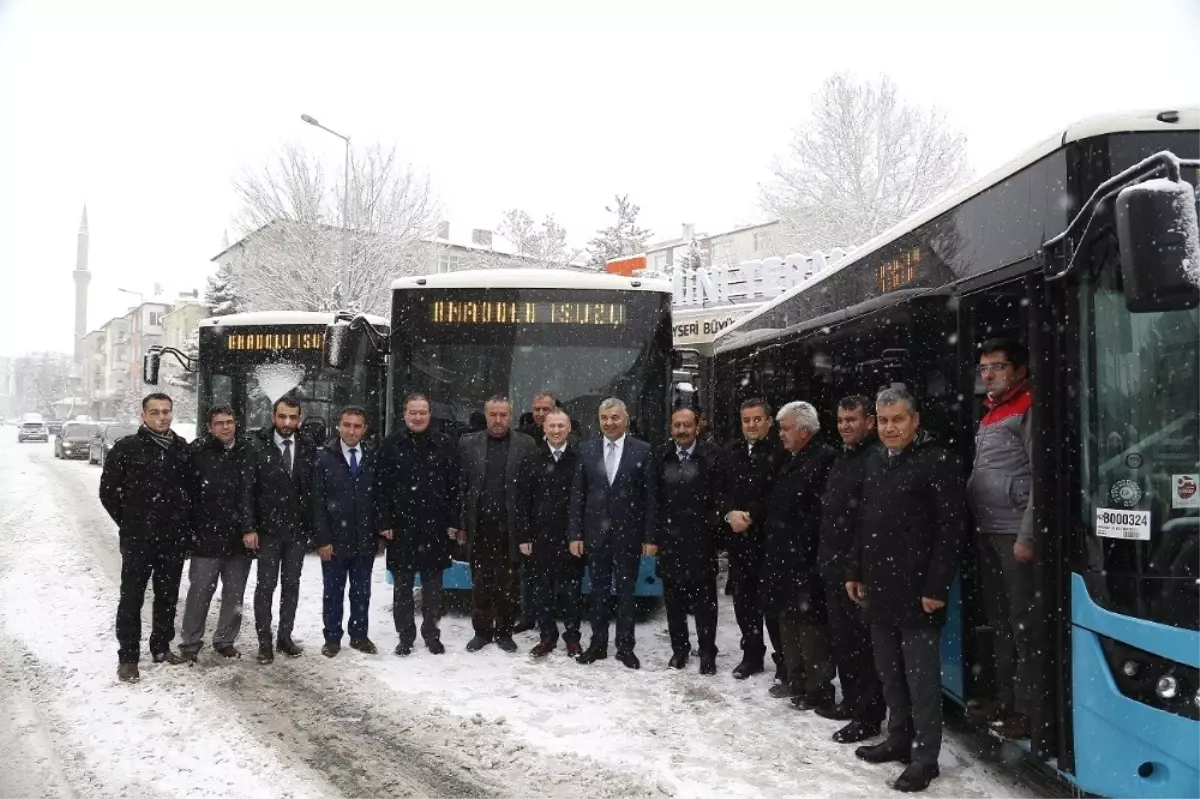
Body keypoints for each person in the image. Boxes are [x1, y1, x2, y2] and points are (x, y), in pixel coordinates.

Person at [846, 388, 965, 793]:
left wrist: (936, 586)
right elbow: (865, 520)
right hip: (879, 589)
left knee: (922, 682)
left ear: (915, 421)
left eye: (898, 419)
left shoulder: (937, 461)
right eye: (883, 421)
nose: (890, 427)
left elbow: (951, 532)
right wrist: (855, 569)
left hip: (918, 593)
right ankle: (898, 738)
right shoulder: (876, 461)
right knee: (890, 675)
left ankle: (924, 757)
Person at [968, 338, 1037, 739]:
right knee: (1000, 623)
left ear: (1019, 371)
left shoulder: (1028, 408)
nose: (989, 374)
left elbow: (1042, 476)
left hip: (1014, 534)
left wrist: (1026, 537)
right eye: (984, 368)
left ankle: (1027, 711)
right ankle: (1006, 700)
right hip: (988, 531)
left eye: (997, 366)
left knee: (1023, 624)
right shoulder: (993, 411)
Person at [100, 392, 193, 683]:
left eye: (166, 411)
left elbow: (190, 494)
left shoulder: (181, 449)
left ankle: (161, 647)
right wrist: (130, 523)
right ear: (143, 415)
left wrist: (182, 527)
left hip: (173, 540)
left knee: (167, 596)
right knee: (132, 598)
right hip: (139, 540)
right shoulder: (126, 448)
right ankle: (128, 657)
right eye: (155, 412)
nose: (162, 416)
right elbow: (108, 492)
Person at [816, 396, 886, 744]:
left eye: (852, 420)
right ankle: (851, 700)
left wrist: (856, 567)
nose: (845, 425)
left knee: (862, 646)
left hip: (856, 570)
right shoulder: (843, 456)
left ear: (869, 422)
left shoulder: (873, 458)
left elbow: (866, 520)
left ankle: (868, 715)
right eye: (841, 420)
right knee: (843, 642)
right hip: (833, 565)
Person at [569, 397, 658, 669]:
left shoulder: (642, 451)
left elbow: (650, 499)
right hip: (595, 536)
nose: (609, 423)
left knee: (627, 593)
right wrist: (575, 534)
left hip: (628, 536)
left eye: (615, 418)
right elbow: (577, 496)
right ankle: (598, 645)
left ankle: (625, 647)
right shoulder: (586, 450)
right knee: (597, 593)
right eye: (604, 418)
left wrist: (650, 537)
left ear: (625, 418)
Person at [760, 401, 837, 708]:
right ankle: (796, 680)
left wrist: (800, 550)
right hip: (784, 558)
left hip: (805, 560)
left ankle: (817, 689)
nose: (780, 434)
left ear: (805, 430)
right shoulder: (793, 457)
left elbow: (818, 512)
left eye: (785, 428)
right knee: (788, 621)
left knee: (810, 627)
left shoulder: (824, 458)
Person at [375, 393, 462, 656]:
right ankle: (405, 636)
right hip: (401, 527)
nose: (417, 417)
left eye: (422, 412)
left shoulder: (445, 444)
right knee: (402, 587)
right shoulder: (391, 445)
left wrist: (453, 522)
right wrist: (384, 521)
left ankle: (431, 634)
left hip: (435, 527)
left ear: (429, 414)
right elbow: (381, 487)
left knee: (433, 588)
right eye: (413, 412)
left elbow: (456, 487)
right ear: (404, 415)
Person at [458, 397, 539, 652]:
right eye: (493, 414)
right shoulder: (468, 443)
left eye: (503, 415)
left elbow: (530, 489)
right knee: (481, 583)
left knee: (509, 584)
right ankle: (481, 632)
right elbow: (461, 486)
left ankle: (504, 632)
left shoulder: (526, 445)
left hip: (512, 528)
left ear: (511, 416)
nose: (498, 420)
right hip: (479, 526)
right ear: (486, 415)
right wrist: (459, 523)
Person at [241, 395, 315, 665]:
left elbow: (311, 490)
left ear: (299, 419)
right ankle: (264, 642)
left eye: (292, 417)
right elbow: (247, 491)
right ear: (273, 417)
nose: (287, 422)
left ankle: (285, 636)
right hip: (267, 531)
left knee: (291, 587)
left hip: (296, 532)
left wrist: (312, 528)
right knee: (266, 587)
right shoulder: (256, 446)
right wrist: (249, 527)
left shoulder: (307, 446)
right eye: (282, 417)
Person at [179, 406, 253, 662]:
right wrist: (190, 532)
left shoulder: (247, 452)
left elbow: (252, 494)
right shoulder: (197, 453)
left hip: (239, 538)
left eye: (230, 422)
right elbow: (186, 497)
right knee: (200, 592)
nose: (225, 427)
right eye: (219, 423)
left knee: (234, 594)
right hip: (206, 538)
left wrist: (250, 527)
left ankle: (225, 640)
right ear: (210, 427)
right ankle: (190, 642)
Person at [656, 406, 726, 675]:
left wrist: (712, 530)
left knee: (705, 603)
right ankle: (680, 650)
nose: (681, 430)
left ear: (697, 427)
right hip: (670, 542)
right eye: (677, 425)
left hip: (701, 542)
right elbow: (656, 500)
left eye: (687, 425)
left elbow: (720, 498)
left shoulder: (713, 457)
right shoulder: (661, 457)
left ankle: (708, 652)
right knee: (673, 602)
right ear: (671, 428)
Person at [723, 398, 788, 681]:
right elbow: (719, 490)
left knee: (773, 605)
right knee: (744, 604)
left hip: (770, 542)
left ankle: (784, 661)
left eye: (757, 419)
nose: (751, 425)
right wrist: (728, 514)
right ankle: (752, 656)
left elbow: (781, 495)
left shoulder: (782, 452)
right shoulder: (731, 452)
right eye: (746, 420)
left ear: (769, 421)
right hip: (739, 544)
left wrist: (751, 516)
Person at [516, 408, 585, 658]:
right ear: (544, 429)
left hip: (571, 538)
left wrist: (580, 535)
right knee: (541, 591)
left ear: (568, 429)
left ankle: (572, 637)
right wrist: (524, 536)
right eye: (551, 426)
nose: (556, 431)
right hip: (539, 537)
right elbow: (522, 501)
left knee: (571, 592)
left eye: (561, 426)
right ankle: (547, 636)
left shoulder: (579, 459)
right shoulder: (531, 459)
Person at [313, 406, 379, 658]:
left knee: (361, 591)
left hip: (364, 539)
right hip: (334, 540)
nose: (352, 430)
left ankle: (359, 635)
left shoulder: (372, 456)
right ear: (338, 426)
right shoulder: (324, 457)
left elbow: (378, 497)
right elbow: (317, 502)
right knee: (333, 592)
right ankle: (332, 638)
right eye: (347, 425)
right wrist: (322, 539)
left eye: (357, 426)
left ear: (365, 429)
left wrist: (378, 533)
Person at [513, 390, 558, 633]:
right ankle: (528, 616)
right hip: (532, 516)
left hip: (558, 519)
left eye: (546, 409)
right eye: (537, 409)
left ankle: (551, 621)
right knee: (528, 573)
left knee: (556, 575)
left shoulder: (569, 437)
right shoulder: (522, 439)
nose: (541, 414)